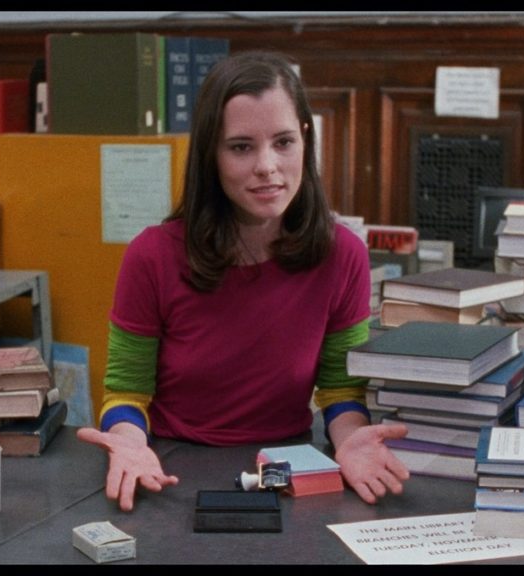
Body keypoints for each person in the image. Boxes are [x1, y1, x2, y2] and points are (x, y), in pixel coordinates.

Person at [77, 51, 409, 511]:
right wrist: (128, 442)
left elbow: (339, 391)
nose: (267, 166)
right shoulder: (151, 256)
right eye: (241, 147)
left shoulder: (343, 255)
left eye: (283, 142)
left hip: (288, 467)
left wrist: (350, 441)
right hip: (168, 471)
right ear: (210, 154)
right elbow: (127, 392)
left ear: (306, 140)